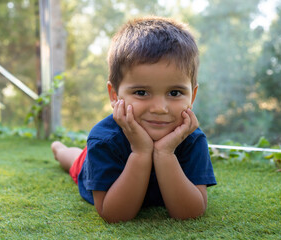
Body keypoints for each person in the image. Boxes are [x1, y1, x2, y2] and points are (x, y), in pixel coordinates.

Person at [51, 16, 216, 223]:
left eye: (174, 93)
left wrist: (165, 153)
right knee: (75, 161)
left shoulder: (192, 139)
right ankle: (59, 149)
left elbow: (191, 213)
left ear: (192, 96)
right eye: (141, 92)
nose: (159, 108)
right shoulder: (103, 140)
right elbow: (113, 214)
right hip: (89, 164)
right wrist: (140, 152)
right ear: (114, 95)